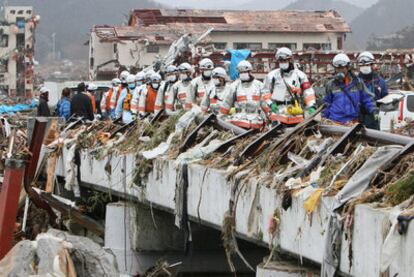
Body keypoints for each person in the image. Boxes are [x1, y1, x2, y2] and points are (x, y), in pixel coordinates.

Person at [262, 47, 316, 126]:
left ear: (290, 60)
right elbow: (265, 92)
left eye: (284, 60)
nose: (282, 63)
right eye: (280, 61)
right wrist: (270, 104)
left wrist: (311, 106)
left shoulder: (300, 75)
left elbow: (308, 93)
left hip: (296, 113)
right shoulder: (272, 76)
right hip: (278, 114)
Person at [322, 53, 375, 125]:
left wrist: (374, 111)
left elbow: (367, 99)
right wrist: (324, 118)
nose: (340, 70)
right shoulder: (331, 84)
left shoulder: (357, 82)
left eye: (342, 68)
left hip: (352, 122)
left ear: (348, 67)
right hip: (335, 122)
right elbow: (326, 104)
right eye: (338, 68)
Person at [220, 60, 265, 129]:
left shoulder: (259, 85)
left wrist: (270, 117)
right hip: (238, 121)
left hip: (256, 122)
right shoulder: (234, 86)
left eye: (244, 72)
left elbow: (265, 103)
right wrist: (221, 119)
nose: (243, 74)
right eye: (241, 72)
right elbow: (226, 104)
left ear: (250, 72)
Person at [358, 51, 388, 129]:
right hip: (357, 120)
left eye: (367, 64)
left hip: (374, 120)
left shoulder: (380, 82)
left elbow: (385, 100)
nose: (365, 67)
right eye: (363, 65)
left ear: (372, 65)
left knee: (374, 140)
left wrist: (391, 103)